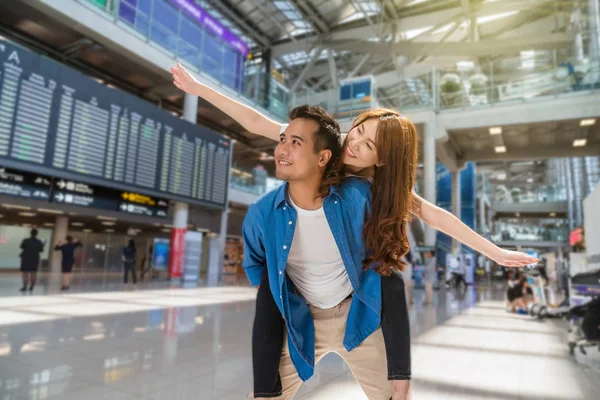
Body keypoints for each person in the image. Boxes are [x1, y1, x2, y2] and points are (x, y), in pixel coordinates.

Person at [171, 64, 538, 399]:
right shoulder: (330, 144)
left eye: (368, 146)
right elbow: (255, 121)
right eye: (358, 131)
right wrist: (200, 88)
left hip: (353, 306)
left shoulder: (377, 183)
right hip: (305, 307)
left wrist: (493, 251)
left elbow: (433, 214)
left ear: (382, 160)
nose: (354, 145)